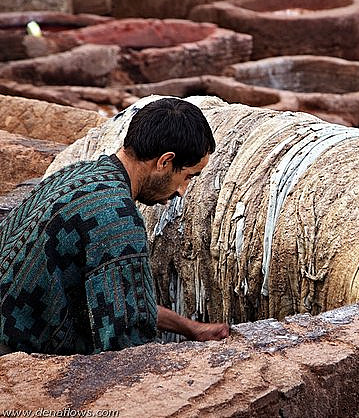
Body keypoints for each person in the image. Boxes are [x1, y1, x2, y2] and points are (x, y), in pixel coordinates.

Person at [0, 97, 229, 355]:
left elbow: (127, 300)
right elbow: (127, 346)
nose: (182, 191)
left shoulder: (78, 174)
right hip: (16, 358)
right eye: (187, 176)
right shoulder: (117, 219)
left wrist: (191, 328)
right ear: (165, 161)